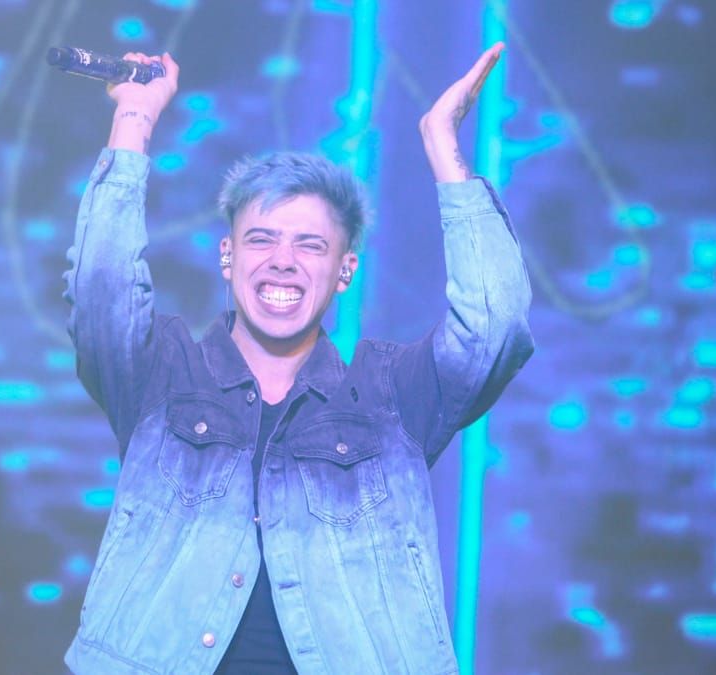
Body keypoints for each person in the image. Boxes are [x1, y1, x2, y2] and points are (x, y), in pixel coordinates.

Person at [62, 43, 533, 675]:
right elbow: (101, 286)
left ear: (345, 270)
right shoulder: (162, 375)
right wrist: (135, 117)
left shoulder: (392, 396)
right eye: (262, 239)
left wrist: (442, 143)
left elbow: (496, 325)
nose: (283, 261)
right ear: (228, 257)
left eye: (310, 246)